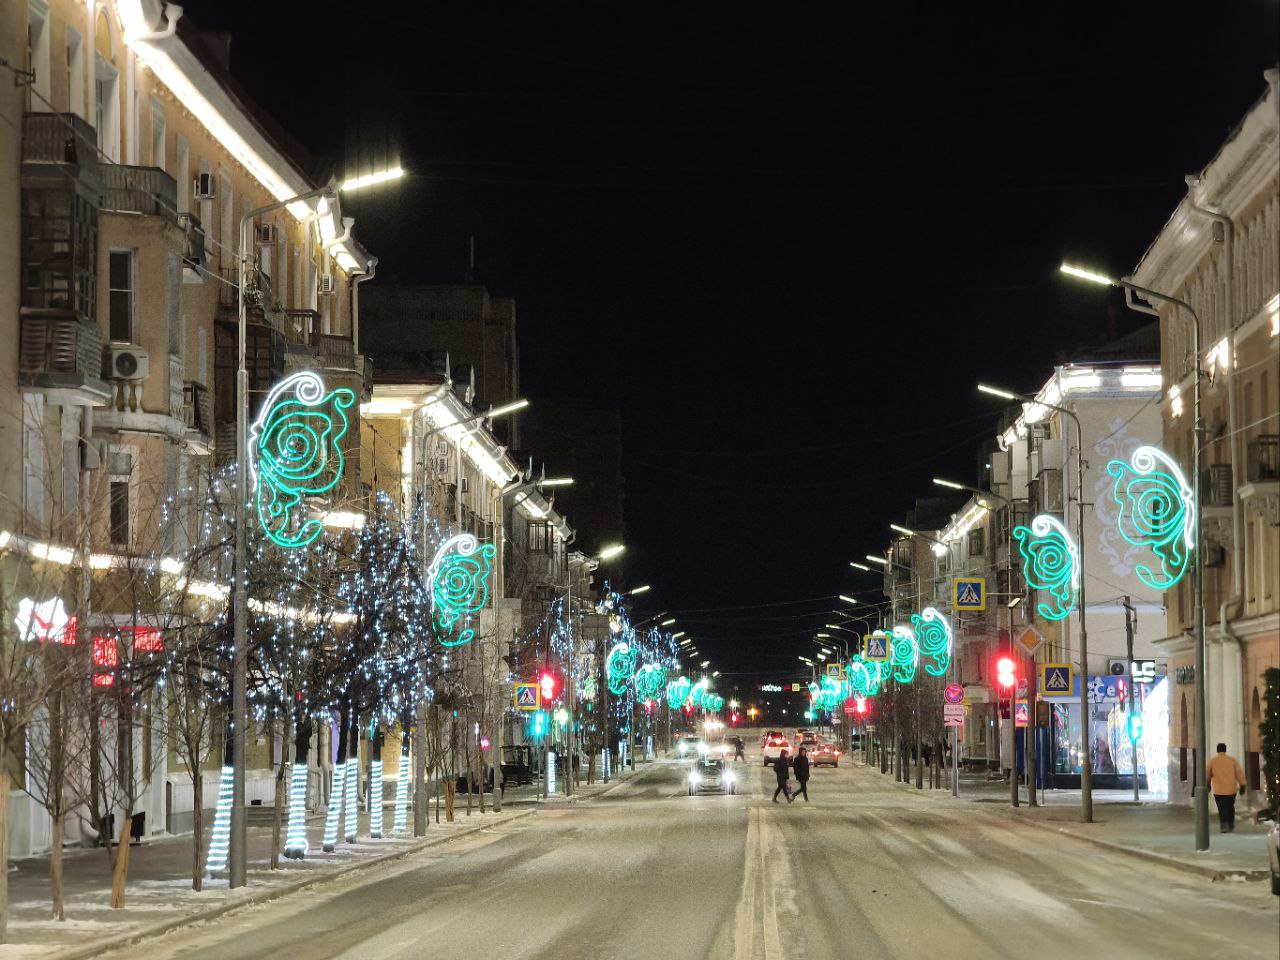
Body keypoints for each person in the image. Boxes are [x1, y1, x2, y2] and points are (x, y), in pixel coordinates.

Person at [1206, 742, 1247, 833]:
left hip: (1218, 790)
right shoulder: (1232, 760)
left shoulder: (1212, 761)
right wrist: (1242, 785)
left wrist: (1207, 785)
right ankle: (1231, 823)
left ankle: (1224, 825)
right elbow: (1239, 773)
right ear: (1225, 750)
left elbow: (1207, 775)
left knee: (1222, 808)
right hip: (1231, 790)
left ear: (1217, 750)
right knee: (1230, 807)